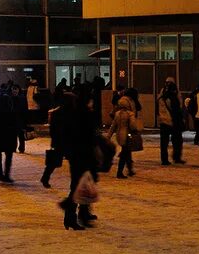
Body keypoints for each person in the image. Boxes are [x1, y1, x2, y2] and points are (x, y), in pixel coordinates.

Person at [57, 94, 99, 230]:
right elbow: (90, 137)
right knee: (79, 186)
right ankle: (71, 212)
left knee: (83, 184)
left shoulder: (74, 114)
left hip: (77, 155)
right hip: (83, 155)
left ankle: (83, 213)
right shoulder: (85, 115)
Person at [107, 95, 140, 179]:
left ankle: (130, 170)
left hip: (119, 136)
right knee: (124, 154)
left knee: (126, 152)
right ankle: (119, 172)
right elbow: (133, 126)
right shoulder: (130, 114)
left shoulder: (117, 114)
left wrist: (109, 136)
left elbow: (113, 126)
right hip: (127, 136)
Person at [156, 79, 186, 165]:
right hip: (172, 122)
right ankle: (176, 157)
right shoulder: (172, 98)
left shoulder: (160, 98)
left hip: (163, 122)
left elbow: (158, 110)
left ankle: (164, 159)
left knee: (164, 143)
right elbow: (177, 109)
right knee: (177, 141)